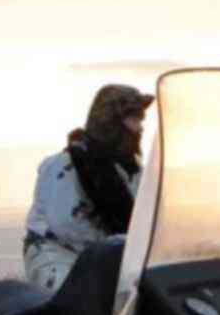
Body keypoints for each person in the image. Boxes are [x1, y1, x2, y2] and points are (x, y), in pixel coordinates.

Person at [22, 84, 151, 292]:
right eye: (133, 120)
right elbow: (66, 224)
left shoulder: (130, 171)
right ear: (111, 122)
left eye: (140, 120)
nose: (139, 128)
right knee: (79, 306)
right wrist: (121, 241)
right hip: (57, 257)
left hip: (105, 258)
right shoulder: (67, 165)